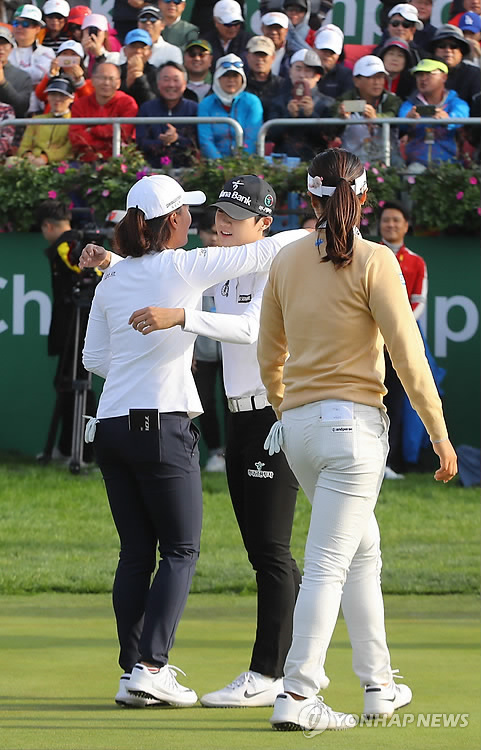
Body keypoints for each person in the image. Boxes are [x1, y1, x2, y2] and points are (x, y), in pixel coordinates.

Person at [79, 173, 308, 708]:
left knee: (247, 550)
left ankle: (258, 673)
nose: (218, 223)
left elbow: (249, 324)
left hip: (244, 416)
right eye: (213, 214)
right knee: (181, 549)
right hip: (179, 422)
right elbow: (162, 277)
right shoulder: (192, 266)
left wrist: (332, 221)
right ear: (174, 220)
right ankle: (150, 668)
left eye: (233, 216)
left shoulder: (176, 270)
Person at [257, 147, 457, 732]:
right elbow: (409, 358)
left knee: (362, 551)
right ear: (364, 198)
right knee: (328, 562)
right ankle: (298, 694)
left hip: (300, 430)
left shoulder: (287, 259)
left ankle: (379, 686)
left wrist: (287, 407)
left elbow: (269, 355)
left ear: (309, 198)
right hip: (352, 433)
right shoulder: (376, 259)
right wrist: (439, 435)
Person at [36, 199, 98, 462]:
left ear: (48, 226)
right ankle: (65, 448)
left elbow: (90, 273)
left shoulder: (67, 246)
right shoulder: (70, 245)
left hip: (79, 330)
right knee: (66, 386)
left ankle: (85, 453)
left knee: (79, 387)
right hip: (71, 329)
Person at [378, 200, 428, 478]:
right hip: (371, 340)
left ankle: (392, 461)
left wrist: (398, 326)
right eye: (386, 220)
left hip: (401, 341)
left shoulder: (416, 262)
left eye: (396, 220)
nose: (391, 225)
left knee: (396, 402)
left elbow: (419, 300)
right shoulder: (368, 254)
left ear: (406, 226)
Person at [192, 208, 227, 473]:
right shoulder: (192, 262)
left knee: (232, 401)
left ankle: (232, 452)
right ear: (200, 233)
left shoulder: (236, 258)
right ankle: (215, 452)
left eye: (218, 232)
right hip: (201, 348)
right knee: (203, 402)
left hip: (231, 345)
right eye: (209, 232)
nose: (214, 238)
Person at [398, 57, 469, 166]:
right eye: (419, 75)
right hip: (416, 164)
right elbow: (401, 120)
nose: (423, 79)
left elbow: (461, 116)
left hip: (450, 166)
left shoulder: (456, 103)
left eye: (428, 74)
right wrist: (408, 119)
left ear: (444, 77)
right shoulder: (410, 104)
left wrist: (448, 120)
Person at [269, 48, 336, 160]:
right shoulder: (278, 101)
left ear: (317, 76)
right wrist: (289, 116)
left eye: (308, 70)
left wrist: (311, 115)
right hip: (283, 162)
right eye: (298, 69)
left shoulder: (328, 103)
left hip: (317, 161)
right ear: (290, 72)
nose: (302, 75)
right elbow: (270, 135)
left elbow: (329, 136)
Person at [336, 55, 403, 166]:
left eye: (380, 77)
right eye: (370, 77)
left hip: (388, 162)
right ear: (356, 81)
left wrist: (376, 118)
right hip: (353, 164)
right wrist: (340, 117)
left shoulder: (393, 100)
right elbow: (329, 129)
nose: (377, 82)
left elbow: (393, 115)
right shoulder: (344, 100)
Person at [69, 62, 138, 162]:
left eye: (111, 79)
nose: (106, 83)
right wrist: (102, 144)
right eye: (102, 78)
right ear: (92, 80)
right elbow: (76, 136)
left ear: (118, 83)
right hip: (86, 160)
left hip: (119, 161)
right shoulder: (80, 104)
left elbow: (124, 133)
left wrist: (93, 130)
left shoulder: (127, 103)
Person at [198, 54, 263, 158]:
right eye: (225, 75)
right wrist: (219, 164)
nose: (231, 80)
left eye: (235, 76)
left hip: (247, 162)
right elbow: (205, 140)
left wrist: (241, 163)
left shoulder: (252, 102)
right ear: (217, 78)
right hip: (214, 164)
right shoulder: (206, 104)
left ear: (242, 78)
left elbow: (252, 137)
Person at [136, 62, 198, 167]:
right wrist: (163, 142)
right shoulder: (146, 108)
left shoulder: (194, 109)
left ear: (185, 84)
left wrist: (177, 139)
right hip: (152, 169)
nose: (171, 85)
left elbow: (198, 143)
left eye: (176, 80)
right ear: (158, 84)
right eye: (166, 79)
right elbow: (141, 142)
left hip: (187, 168)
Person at [18, 76, 75, 164]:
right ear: (48, 97)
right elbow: (24, 145)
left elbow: (68, 150)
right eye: (53, 94)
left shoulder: (75, 121)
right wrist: (27, 156)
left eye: (62, 95)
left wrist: (45, 158)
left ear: (71, 98)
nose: (57, 99)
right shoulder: (36, 120)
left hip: (61, 164)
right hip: (31, 161)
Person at [10, 4, 56, 112]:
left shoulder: (47, 52)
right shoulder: (4, 50)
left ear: (37, 28)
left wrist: (11, 76)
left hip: (37, 111)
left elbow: (41, 75)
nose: (19, 27)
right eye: (16, 23)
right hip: (8, 110)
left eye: (25, 24)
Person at [428, 23, 480, 112]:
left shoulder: (474, 74)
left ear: (461, 51)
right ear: (434, 51)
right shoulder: (423, 73)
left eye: (454, 46)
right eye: (442, 46)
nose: (448, 50)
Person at [35, 40, 93, 112]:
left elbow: (89, 102)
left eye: (73, 54)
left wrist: (79, 81)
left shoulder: (88, 82)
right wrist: (50, 75)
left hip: (77, 116)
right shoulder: (53, 78)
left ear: (80, 59)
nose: (68, 57)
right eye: (65, 54)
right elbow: (40, 95)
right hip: (52, 116)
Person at [245, 35, 284, 120]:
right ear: (248, 56)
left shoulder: (283, 85)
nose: (260, 59)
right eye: (256, 54)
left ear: (273, 57)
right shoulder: (240, 84)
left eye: (264, 55)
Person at [203, 0, 252, 68]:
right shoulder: (206, 42)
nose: (233, 28)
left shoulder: (248, 42)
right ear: (216, 21)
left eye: (236, 23)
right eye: (228, 24)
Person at [313, 24, 353, 99]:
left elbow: (350, 103)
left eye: (332, 52)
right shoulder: (301, 71)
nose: (328, 54)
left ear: (339, 54)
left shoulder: (346, 75)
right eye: (324, 50)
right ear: (314, 48)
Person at [119, 28, 157, 106]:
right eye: (133, 47)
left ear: (150, 53)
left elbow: (152, 102)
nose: (138, 51)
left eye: (142, 48)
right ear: (125, 51)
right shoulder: (117, 72)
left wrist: (139, 77)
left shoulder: (156, 73)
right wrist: (127, 83)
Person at [0, 26, 32, 117]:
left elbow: (22, 107)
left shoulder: (22, 76)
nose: (0, 48)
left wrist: (3, 83)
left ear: (11, 48)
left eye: (4, 44)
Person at [81, 13, 120, 78]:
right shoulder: (73, 52)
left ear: (105, 34)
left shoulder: (114, 57)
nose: (92, 34)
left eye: (96, 31)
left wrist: (99, 56)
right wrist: (82, 53)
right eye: (89, 30)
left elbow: (108, 78)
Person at [260, 11, 292, 77]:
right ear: (262, 28)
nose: (274, 32)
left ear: (286, 30)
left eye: (278, 28)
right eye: (270, 27)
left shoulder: (293, 54)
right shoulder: (250, 54)